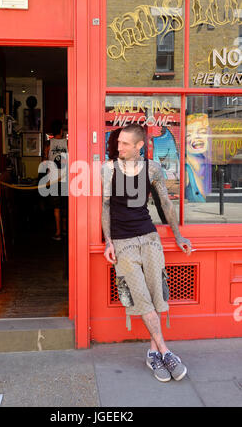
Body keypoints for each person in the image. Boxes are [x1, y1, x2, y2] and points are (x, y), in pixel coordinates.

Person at [101, 123, 192, 383]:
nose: (119, 148)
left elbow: (165, 202)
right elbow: (105, 206)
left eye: (125, 144)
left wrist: (178, 235)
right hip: (124, 242)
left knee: (157, 296)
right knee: (141, 298)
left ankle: (153, 353)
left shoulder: (152, 168)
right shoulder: (108, 170)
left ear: (140, 146)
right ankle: (164, 350)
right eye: (118, 143)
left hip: (149, 237)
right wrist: (108, 241)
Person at [48, 119, 68, 241]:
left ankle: (58, 232)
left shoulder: (48, 144)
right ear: (61, 130)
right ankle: (65, 229)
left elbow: (44, 161)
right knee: (65, 205)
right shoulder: (67, 143)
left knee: (56, 206)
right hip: (65, 178)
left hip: (54, 179)